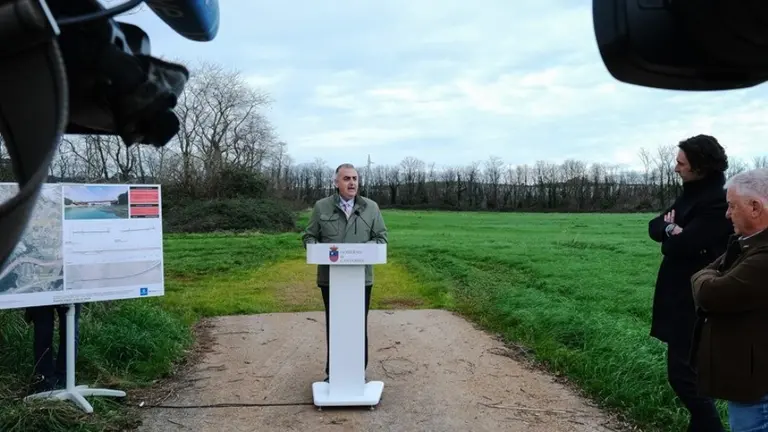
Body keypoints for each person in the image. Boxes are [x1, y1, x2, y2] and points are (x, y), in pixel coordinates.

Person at [647, 134, 733, 432]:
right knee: (685, 373)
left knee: (683, 375)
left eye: (681, 163)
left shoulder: (717, 202)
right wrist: (672, 228)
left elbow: (682, 246)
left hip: (694, 298)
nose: (675, 168)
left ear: (700, 165)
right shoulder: (690, 194)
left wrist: (670, 234)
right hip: (676, 295)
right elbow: (654, 226)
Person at [690, 168, 768, 432]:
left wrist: (704, 279)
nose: (727, 214)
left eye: (732, 206)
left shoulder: (763, 256)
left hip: (758, 389)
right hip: (750, 381)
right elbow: (708, 276)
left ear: (755, 207)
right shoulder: (747, 244)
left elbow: (710, 293)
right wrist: (707, 277)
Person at [301, 163, 388, 382]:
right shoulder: (322, 207)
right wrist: (316, 250)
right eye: (347, 178)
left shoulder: (371, 207)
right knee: (335, 325)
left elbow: (381, 238)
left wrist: (359, 251)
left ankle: (358, 373)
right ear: (336, 182)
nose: (352, 183)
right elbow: (309, 236)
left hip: (361, 279)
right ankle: (334, 375)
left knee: (358, 326)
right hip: (331, 280)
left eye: (355, 179)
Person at [25, 301, 82, 393]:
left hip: (69, 289)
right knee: (43, 332)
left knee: (69, 331)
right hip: (39, 289)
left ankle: (64, 378)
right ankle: (44, 379)